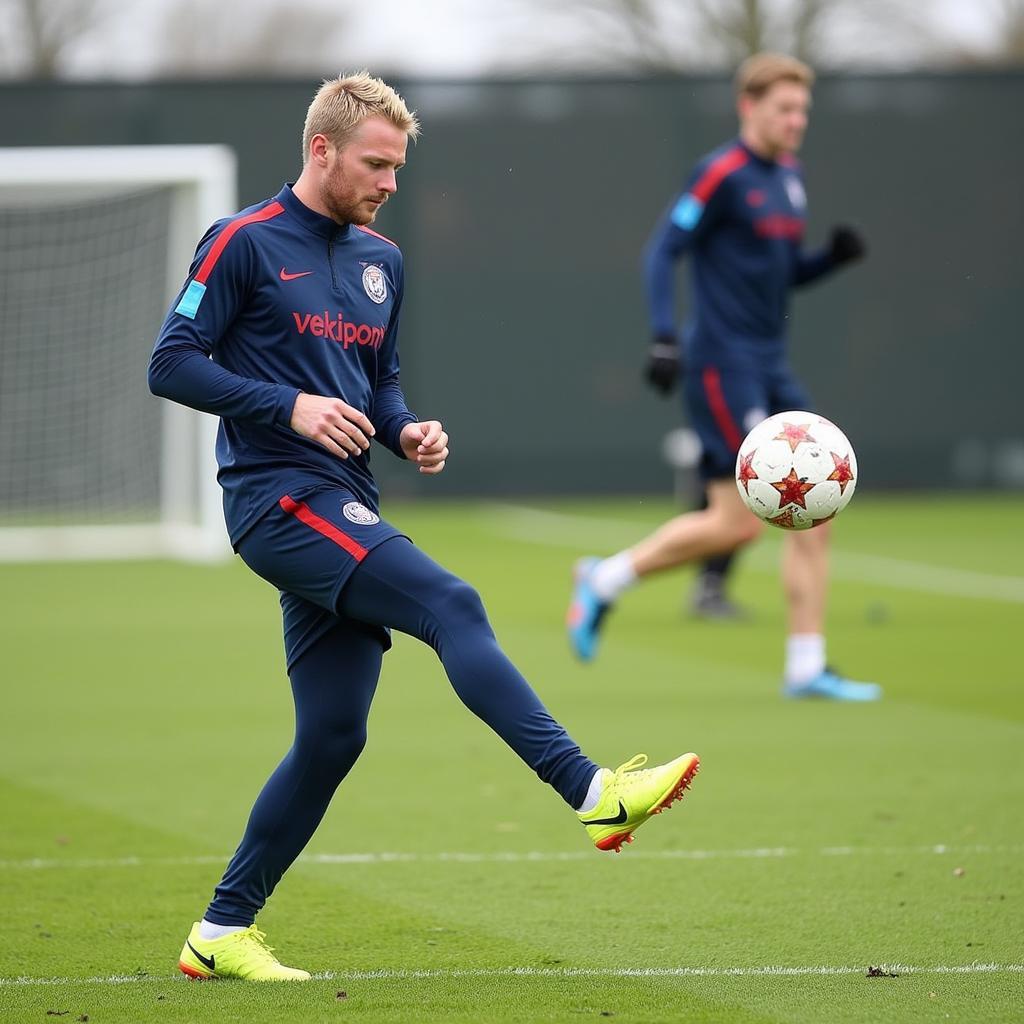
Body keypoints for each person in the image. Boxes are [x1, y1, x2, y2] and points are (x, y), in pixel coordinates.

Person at [148, 72, 699, 983]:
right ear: (320, 150)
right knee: (452, 601)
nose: (391, 181)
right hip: (276, 501)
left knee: (332, 737)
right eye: (376, 163)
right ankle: (593, 792)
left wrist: (407, 428)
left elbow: (381, 379)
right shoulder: (242, 242)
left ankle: (219, 933)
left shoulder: (382, 261)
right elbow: (171, 363)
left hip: (346, 497)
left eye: (399, 166)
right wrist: (289, 408)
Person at [568, 53, 880, 703]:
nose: (796, 121)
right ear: (749, 107)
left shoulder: (789, 178)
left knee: (811, 506)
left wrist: (830, 261)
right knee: (750, 519)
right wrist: (662, 335)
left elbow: (781, 273)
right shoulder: (721, 174)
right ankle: (604, 581)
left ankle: (804, 665)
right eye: (784, 109)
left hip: (771, 362)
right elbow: (663, 250)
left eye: (802, 110)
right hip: (720, 363)